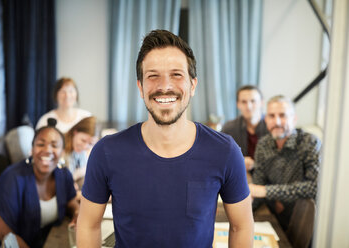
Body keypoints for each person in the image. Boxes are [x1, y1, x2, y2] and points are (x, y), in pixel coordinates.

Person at [77, 30, 254, 247]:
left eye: (177, 75)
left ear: (193, 85)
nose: (164, 86)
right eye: (153, 76)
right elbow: (87, 225)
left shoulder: (225, 151)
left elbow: (241, 226)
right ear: (141, 87)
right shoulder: (106, 151)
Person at [0, 118, 79, 248]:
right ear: (32, 149)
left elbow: (71, 201)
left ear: (62, 152)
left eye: (54, 145)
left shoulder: (63, 174)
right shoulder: (12, 178)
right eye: (40, 144)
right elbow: (3, 232)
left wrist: (77, 213)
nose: (48, 150)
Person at [249, 95, 321, 230]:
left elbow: (315, 187)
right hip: (272, 215)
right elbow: (258, 184)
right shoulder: (263, 144)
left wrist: (266, 191)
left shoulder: (309, 142)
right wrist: (244, 208)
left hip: (303, 221)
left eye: (282, 115)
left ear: (294, 119)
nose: (276, 121)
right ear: (266, 119)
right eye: (271, 116)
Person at [222, 85, 268, 172]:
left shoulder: (272, 126)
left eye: (253, 101)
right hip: (240, 175)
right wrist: (238, 161)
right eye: (244, 102)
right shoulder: (229, 128)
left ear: (261, 103)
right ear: (238, 104)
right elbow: (219, 155)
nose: (249, 106)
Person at [63, 116, 98, 188]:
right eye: (83, 140)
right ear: (75, 132)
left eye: (90, 144)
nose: (85, 146)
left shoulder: (84, 152)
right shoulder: (60, 147)